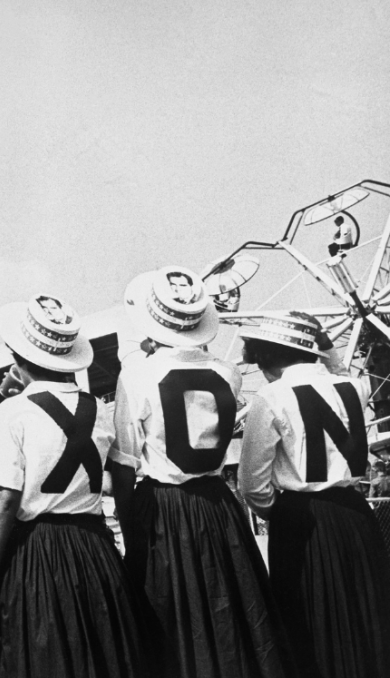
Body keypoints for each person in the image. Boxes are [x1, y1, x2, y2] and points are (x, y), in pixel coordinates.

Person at [111, 266, 291, 678]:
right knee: (233, 610)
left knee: (171, 617)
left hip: (163, 509)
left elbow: (124, 462)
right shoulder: (227, 372)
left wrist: (131, 528)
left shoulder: (137, 373)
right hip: (217, 506)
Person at [0, 294, 150, 678]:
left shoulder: (14, 411)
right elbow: (122, 473)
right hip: (94, 546)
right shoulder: (98, 408)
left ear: (19, 360)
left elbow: (4, 498)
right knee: (104, 649)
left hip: (38, 549)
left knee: (45, 654)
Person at [239, 311, 390, 678]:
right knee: (368, 611)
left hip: (301, 518)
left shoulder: (270, 396)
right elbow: (337, 368)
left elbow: (251, 484)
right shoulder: (353, 387)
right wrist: (325, 347)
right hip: (355, 513)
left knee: (311, 618)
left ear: (268, 356)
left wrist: (280, 512)